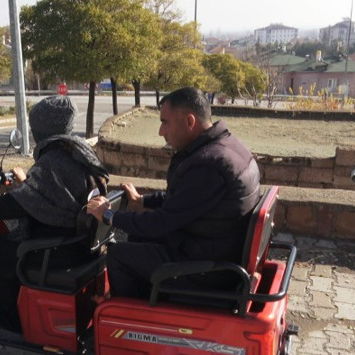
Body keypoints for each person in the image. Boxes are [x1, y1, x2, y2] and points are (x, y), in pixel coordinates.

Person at [86, 86, 260, 299]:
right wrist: (143, 201)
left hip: (209, 269)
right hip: (214, 246)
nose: (161, 132)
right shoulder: (226, 147)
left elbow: (161, 223)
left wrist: (109, 215)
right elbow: (183, 200)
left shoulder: (207, 165)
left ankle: (129, 317)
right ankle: (144, 297)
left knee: (117, 254)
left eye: (165, 123)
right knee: (137, 235)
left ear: (189, 121)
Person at [0, 95, 109, 332]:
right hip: (80, 240)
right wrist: (28, 184)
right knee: (9, 244)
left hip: (60, 247)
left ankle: (7, 322)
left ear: (42, 129)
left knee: (0, 249)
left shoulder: (52, 160)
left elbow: (13, 207)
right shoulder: (78, 152)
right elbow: (54, 193)